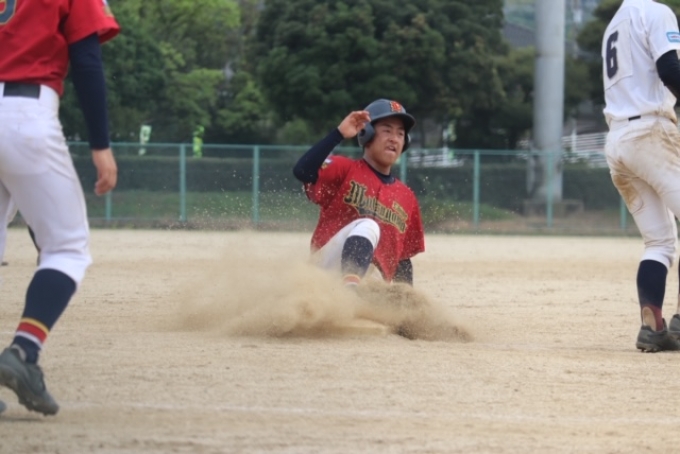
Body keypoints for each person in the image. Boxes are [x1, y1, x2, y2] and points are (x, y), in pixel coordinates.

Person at [0, 0, 120, 415]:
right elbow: (86, 60)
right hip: (23, 112)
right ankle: (25, 350)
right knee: (67, 248)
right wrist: (100, 145)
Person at [602, 0, 680, 352]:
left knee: (659, 243)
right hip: (651, 133)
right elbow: (670, 70)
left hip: (618, 138)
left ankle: (653, 327)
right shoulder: (655, 11)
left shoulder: (615, 22)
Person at [293, 99, 425, 288]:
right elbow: (302, 171)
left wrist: (407, 299)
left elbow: (402, 259)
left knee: (379, 277)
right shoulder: (344, 169)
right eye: (387, 130)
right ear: (366, 133)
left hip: (369, 285)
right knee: (368, 225)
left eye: (400, 133)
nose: (394, 138)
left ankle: (355, 295)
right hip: (324, 273)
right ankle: (350, 291)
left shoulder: (407, 197)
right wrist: (338, 134)